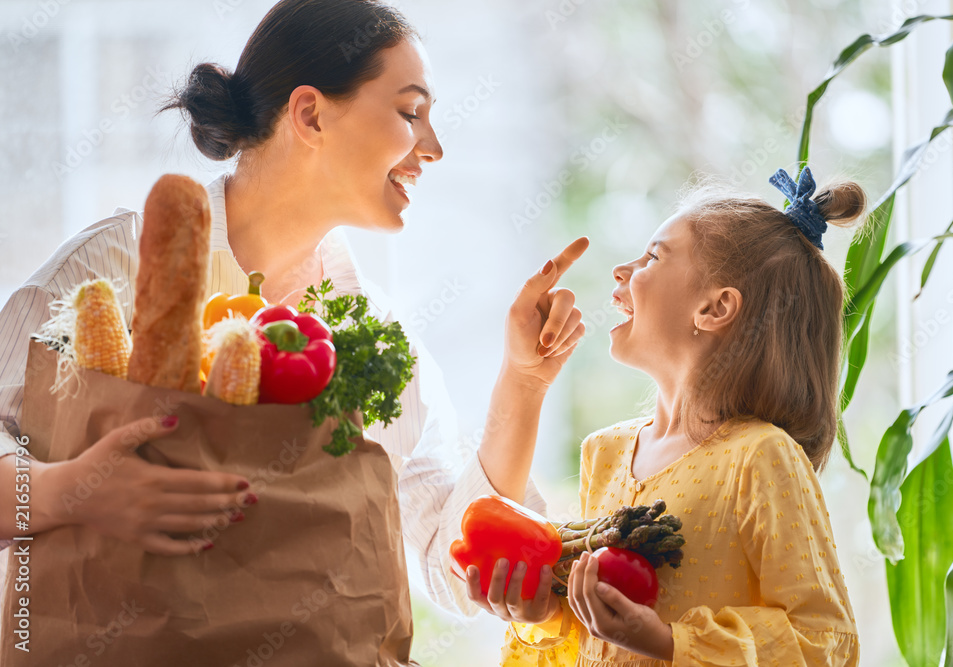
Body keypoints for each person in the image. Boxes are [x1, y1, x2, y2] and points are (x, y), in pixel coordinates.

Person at [0, 0, 585, 618]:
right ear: (309, 113)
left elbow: (448, 550)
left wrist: (522, 383)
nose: (433, 148)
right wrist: (68, 493)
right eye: (410, 112)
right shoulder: (115, 266)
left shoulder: (373, 335)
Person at [458, 167, 863, 665]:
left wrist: (669, 642)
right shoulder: (603, 453)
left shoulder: (761, 456)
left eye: (653, 256)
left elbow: (826, 640)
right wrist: (540, 616)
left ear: (715, 308)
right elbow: (587, 641)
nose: (621, 271)